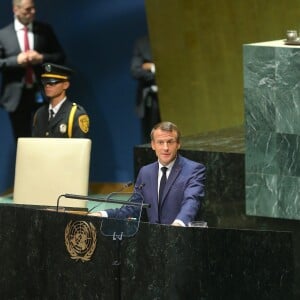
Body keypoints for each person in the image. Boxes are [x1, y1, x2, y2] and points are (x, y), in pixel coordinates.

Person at [90, 121, 206, 226]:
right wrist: (102, 214)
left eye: (170, 142)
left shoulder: (193, 170)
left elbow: (192, 201)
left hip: (180, 239)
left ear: (178, 144)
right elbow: (133, 208)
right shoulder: (146, 172)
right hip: (152, 241)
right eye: (160, 142)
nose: (165, 148)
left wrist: (179, 224)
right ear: (153, 145)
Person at [0, 0, 65, 141]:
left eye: (33, 8)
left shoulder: (45, 31)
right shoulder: (3, 35)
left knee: (45, 138)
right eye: (27, 10)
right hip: (16, 98)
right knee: (21, 139)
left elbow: (60, 56)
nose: (32, 12)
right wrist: (16, 61)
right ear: (15, 10)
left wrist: (41, 58)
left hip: (42, 93)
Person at [32, 63, 89, 138]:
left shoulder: (75, 114)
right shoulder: (39, 113)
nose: (47, 86)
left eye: (52, 82)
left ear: (65, 85)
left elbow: (80, 147)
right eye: (45, 82)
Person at [130, 35, 161, 143]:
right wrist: (154, 69)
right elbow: (135, 71)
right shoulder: (142, 43)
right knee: (151, 138)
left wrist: (150, 67)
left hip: (172, 99)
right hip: (151, 101)